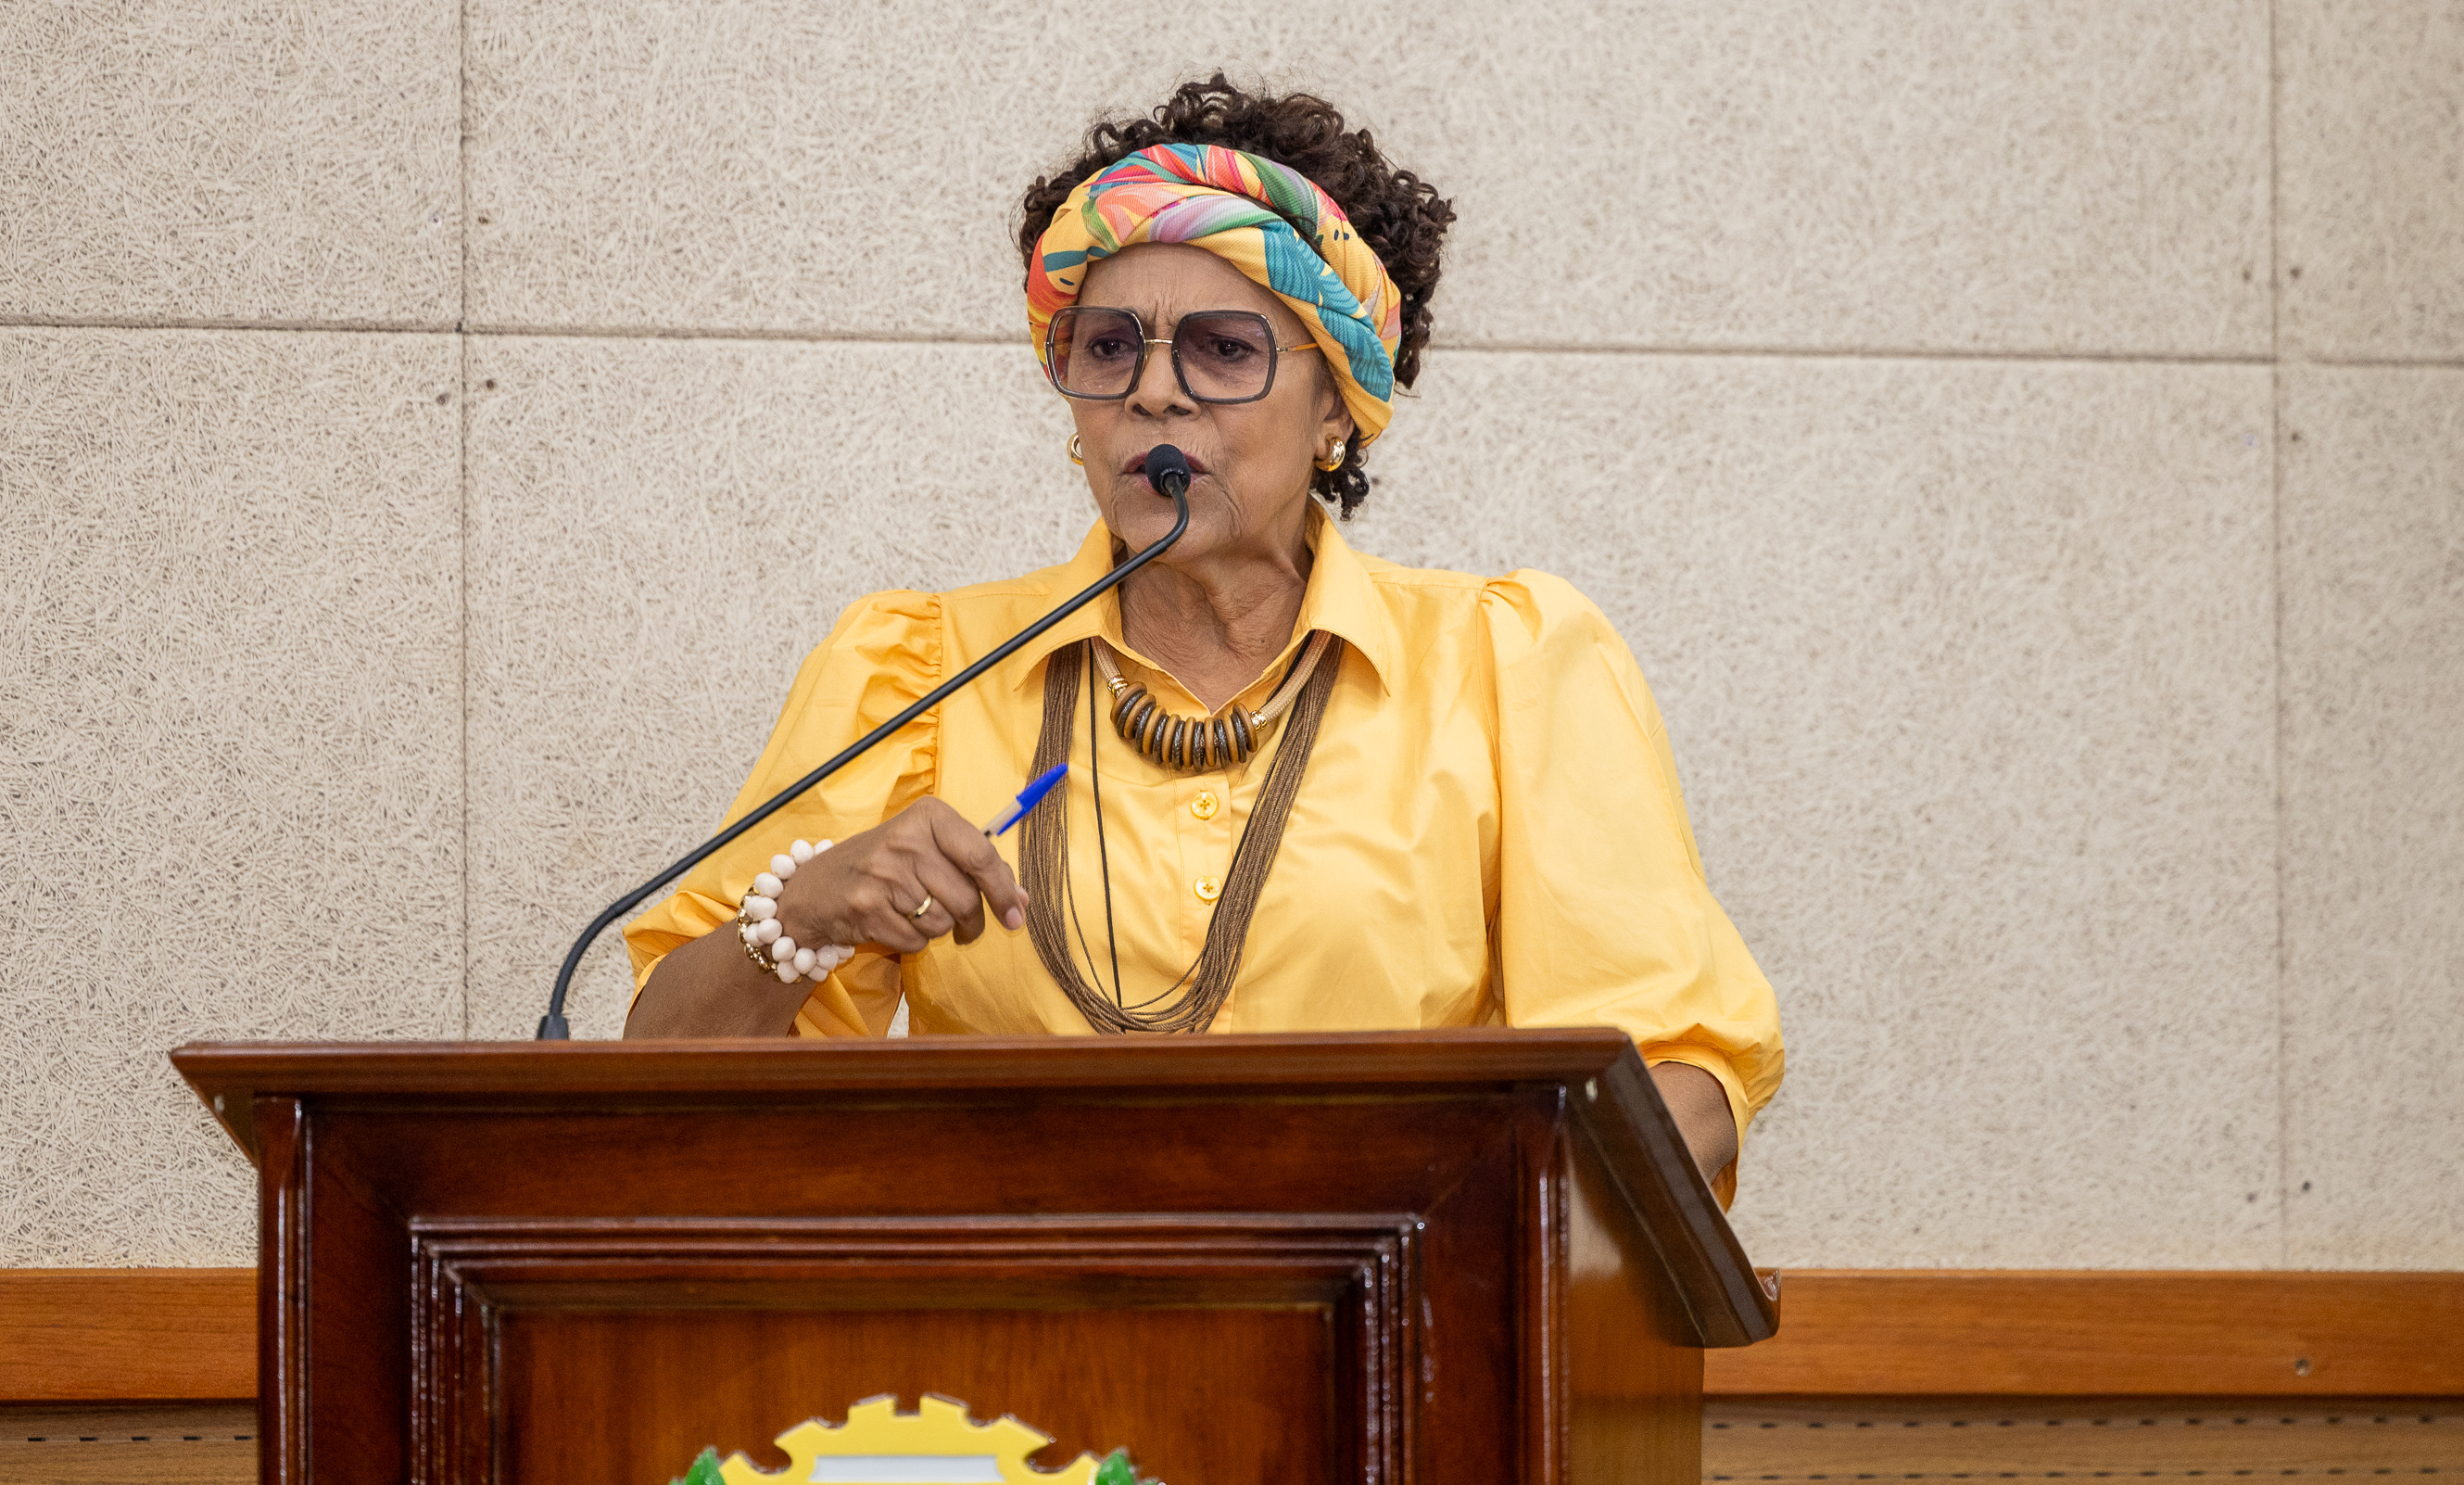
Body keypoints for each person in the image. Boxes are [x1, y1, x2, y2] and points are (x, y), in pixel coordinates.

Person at [624, 77, 1781, 1198]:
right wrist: (802, 914)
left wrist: (1434, 1247)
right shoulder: (918, 671)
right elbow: (658, 1085)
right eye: (1108, 348)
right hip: (1004, 1354)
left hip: (1394, 1340)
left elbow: (1676, 1077)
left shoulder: (1502, 664)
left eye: (1222, 350)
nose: (1153, 394)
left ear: (1336, 406)